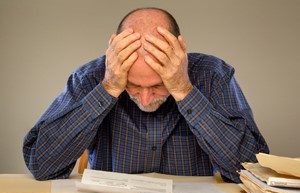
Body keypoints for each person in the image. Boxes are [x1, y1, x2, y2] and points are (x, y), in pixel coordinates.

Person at [23, 7, 269, 183]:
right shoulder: (91, 77)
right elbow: (42, 166)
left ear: (179, 54)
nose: (145, 99)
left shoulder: (213, 75)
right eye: (132, 85)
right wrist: (109, 87)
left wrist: (183, 89)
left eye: (157, 86)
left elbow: (251, 169)